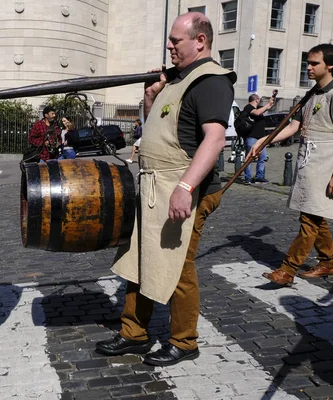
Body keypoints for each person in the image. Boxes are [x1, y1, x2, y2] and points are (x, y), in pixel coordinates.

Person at [95, 12, 235, 366]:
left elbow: (215, 139)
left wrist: (186, 187)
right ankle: (134, 333)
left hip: (185, 187)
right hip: (156, 186)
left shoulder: (211, 81)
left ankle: (185, 341)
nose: (169, 46)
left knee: (178, 266)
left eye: (176, 40)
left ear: (200, 41)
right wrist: (150, 98)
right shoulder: (176, 80)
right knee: (140, 257)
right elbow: (156, 127)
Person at [248, 43, 333, 286]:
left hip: (326, 164)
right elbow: (294, 127)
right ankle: (328, 262)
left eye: (314, 64)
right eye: (307, 63)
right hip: (307, 162)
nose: (308, 68)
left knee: (309, 220)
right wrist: (263, 140)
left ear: (330, 65)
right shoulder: (311, 95)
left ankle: (287, 269)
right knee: (314, 215)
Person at [242, 93, 274, 184]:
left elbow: (267, 108)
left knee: (262, 157)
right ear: (256, 99)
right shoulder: (248, 107)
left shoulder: (259, 107)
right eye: (258, 99)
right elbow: (257, 113)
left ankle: (259, 177)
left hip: (261, 138)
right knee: (250, 157)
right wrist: (267, 105)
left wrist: (271, 101)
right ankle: (247, 178)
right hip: (251, 137)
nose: (259, 100)